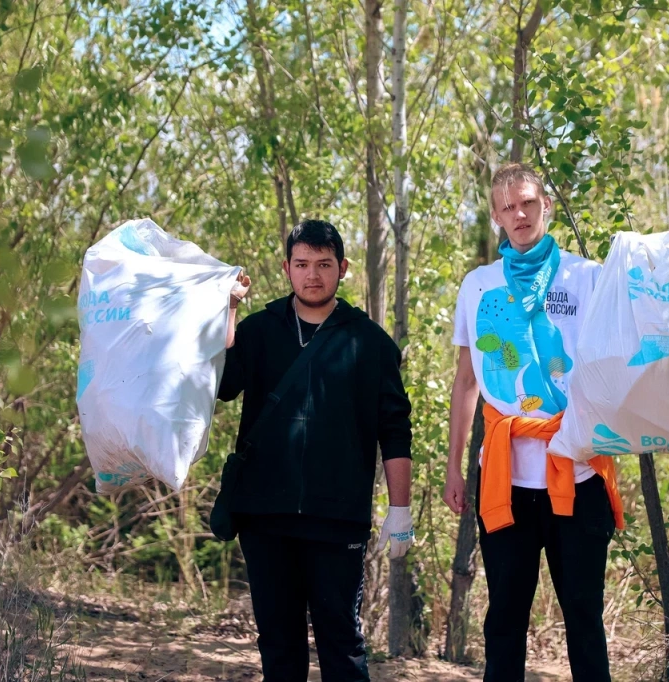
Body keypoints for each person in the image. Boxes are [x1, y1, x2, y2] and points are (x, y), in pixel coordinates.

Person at [442, 163, 625, 681]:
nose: (518, 214)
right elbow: (465, 384)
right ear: (496, 216)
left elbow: (615, 364)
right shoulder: (478, 286)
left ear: (545, 204)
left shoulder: (586, 276)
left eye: (527, 202)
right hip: (506, 481)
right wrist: (456, 469)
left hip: (579, 473)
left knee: (585, 619)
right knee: (504, 621)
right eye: (507, 206)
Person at [214, 219, 415, 682]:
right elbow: (223, 384)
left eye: (324, 265)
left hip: (336, 518)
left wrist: (399, 510)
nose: (312, 275)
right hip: (265, 514)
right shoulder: (260, 330)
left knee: (342, 646)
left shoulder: (369, 343)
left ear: (342, 268)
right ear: (287, 268)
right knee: (279, 648)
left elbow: (395, 429)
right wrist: (228, 309)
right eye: (302, 264)